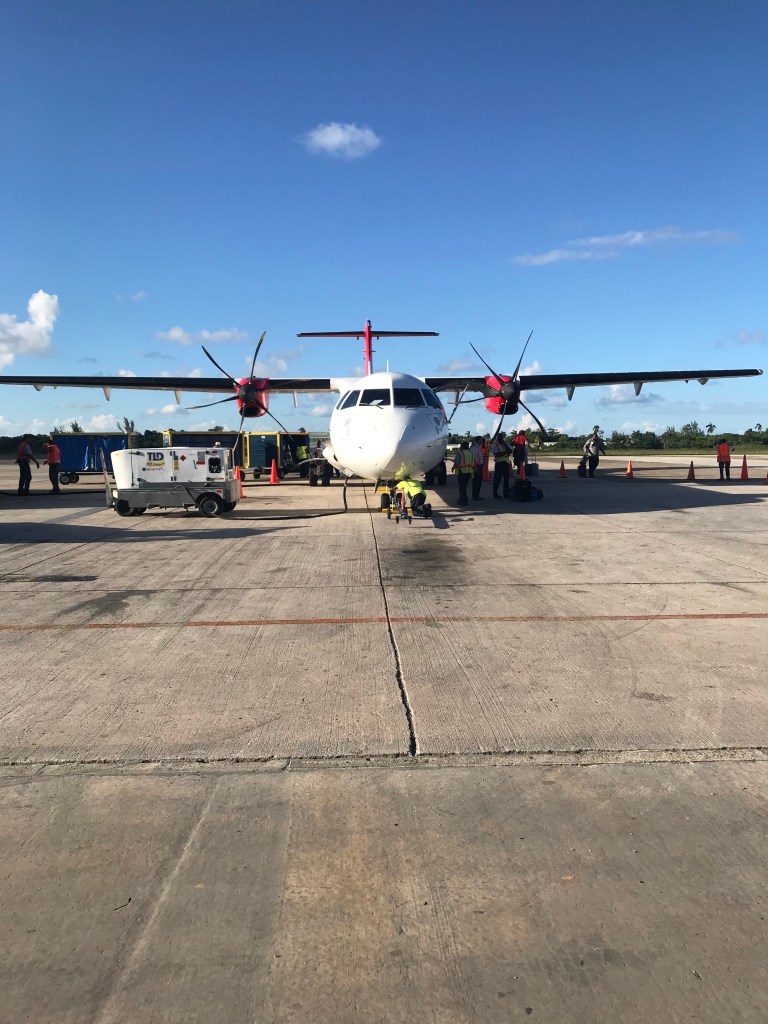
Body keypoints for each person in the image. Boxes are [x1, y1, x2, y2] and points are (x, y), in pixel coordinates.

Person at [490, 431, 512, 498]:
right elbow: (496, 454)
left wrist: (504, 444)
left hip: (506, 463)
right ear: (497, 438)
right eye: (499, 438)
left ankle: (506, 494)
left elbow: (510, 451)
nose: (501, 439)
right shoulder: (495, 445)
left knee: (506, 480)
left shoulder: (505, 444)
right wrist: (505, 452)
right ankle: (495, 493)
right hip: (499, 464)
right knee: (497, 480)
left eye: (501, 438)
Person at [452, 441, 473, 506]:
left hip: (462, 472)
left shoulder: (460, 453)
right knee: (464, 487)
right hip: (469, 472)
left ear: (462, 446)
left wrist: (454, 467)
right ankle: (461, 499)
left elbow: (456, 462)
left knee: (462, 488)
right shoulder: (470, 453)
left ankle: (464, 501)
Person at [469, 436, 485, 500]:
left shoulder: (479, 447)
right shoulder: (473, 448)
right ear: (478, 441)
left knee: (479, 481)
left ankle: (477, 496)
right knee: (476, 481)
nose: (482, 441)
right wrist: (475, 467)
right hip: (476, 466)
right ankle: (474, 496)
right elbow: (472, 458)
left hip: (480, 466)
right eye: (481, 440)